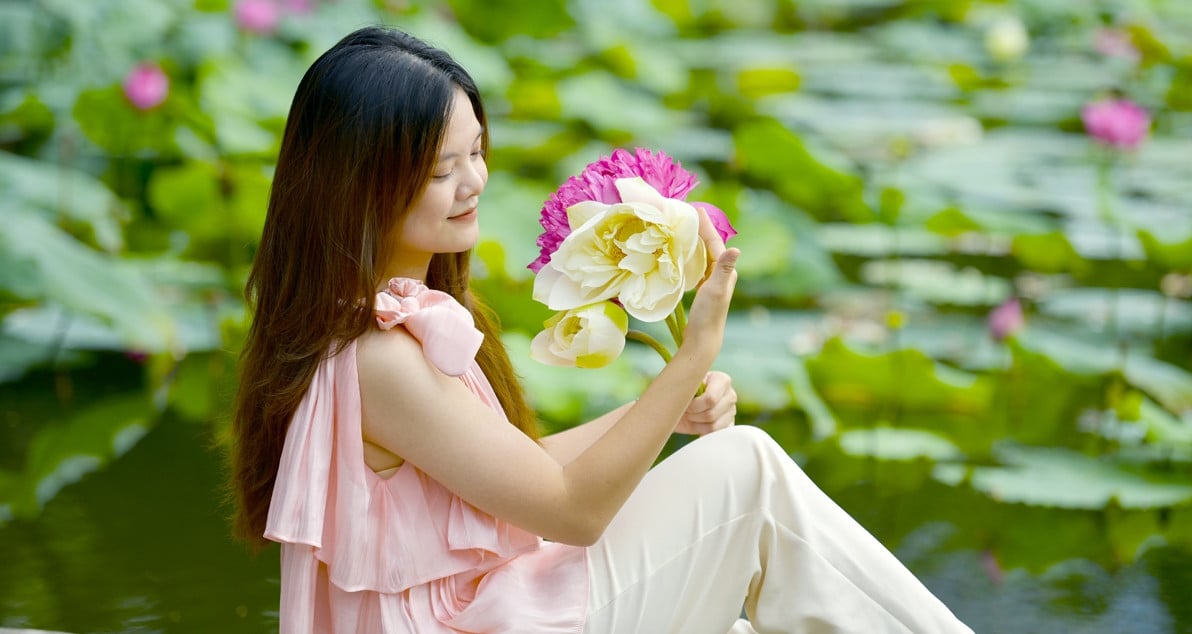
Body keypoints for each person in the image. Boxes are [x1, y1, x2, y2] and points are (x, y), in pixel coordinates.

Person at [228, 25, 973, 634]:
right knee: (746, 473)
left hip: (483, 609)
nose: (475, 181)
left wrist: (663, 412)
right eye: (440, 168)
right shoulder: (380, 355)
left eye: (478, 151)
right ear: (358, 181)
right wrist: (694, 355)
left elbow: (504, 477)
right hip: (477, 621)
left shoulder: (358, 329)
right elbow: (571, 511)